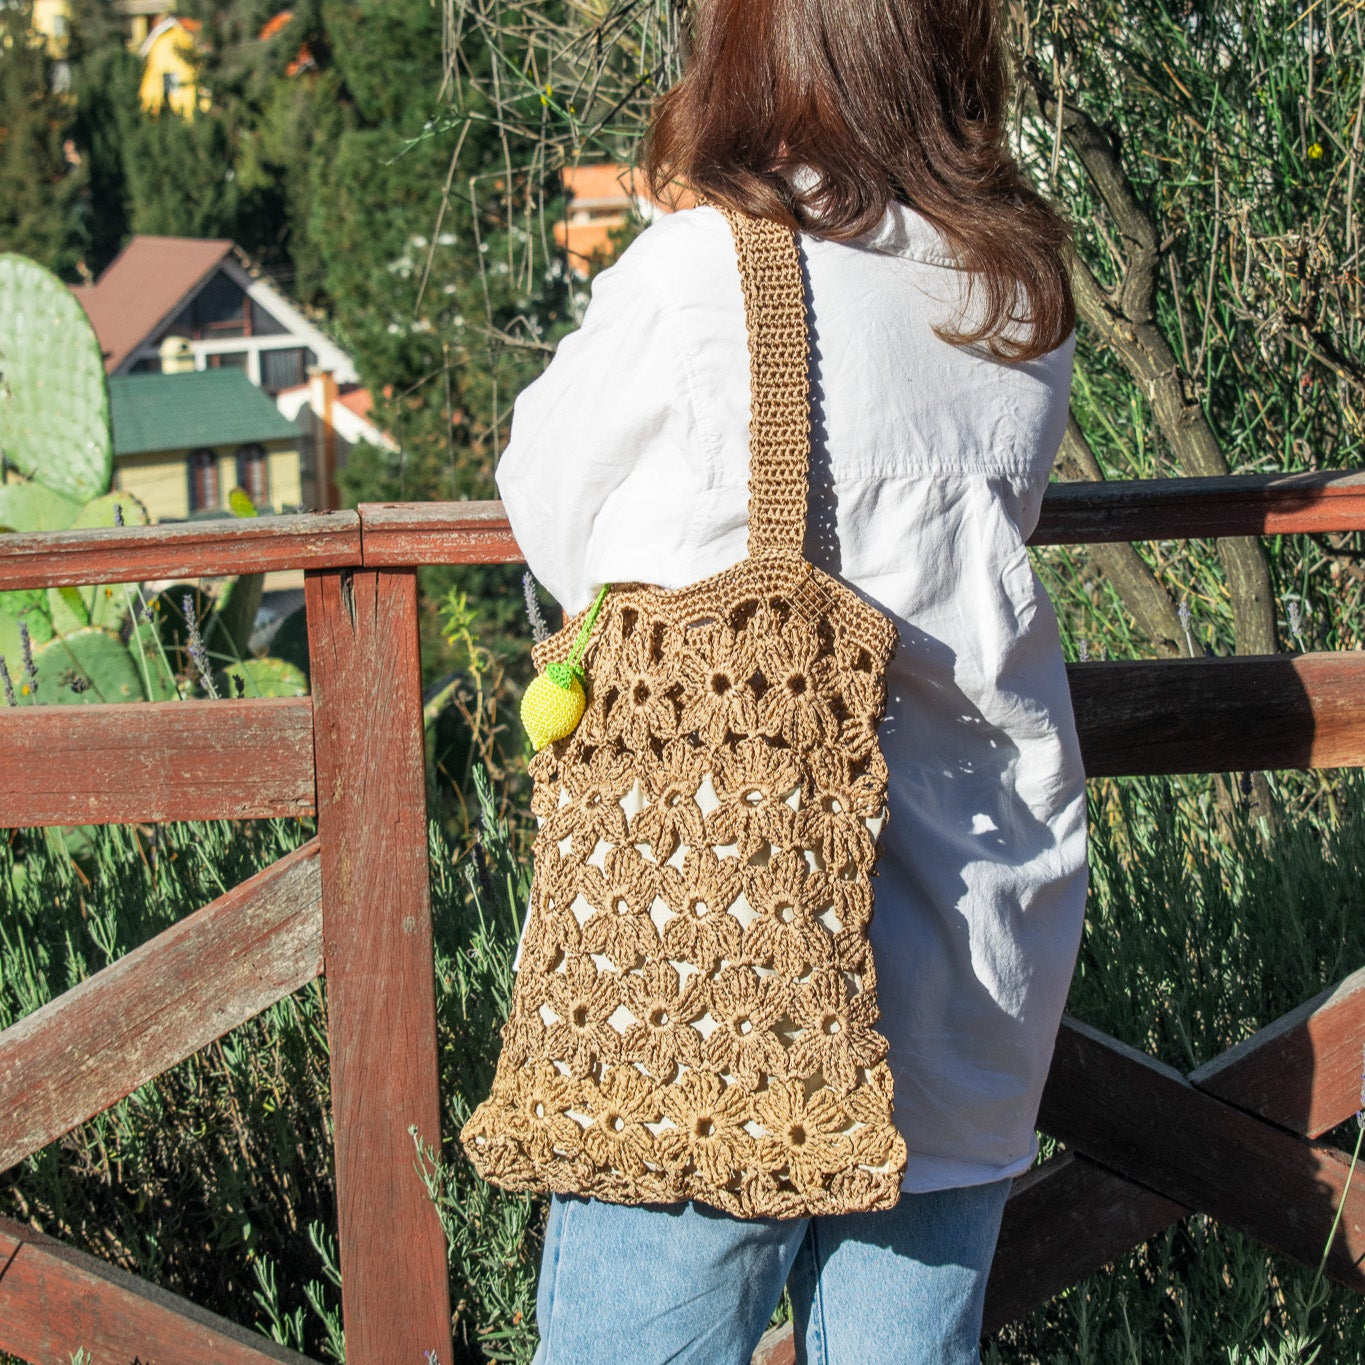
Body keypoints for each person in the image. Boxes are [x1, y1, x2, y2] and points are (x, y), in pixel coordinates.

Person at [491, 1, 1086, 1361]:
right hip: (969, 935)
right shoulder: (1012, 284)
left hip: (705, 956)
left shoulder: (701, 275)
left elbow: (552, 505)